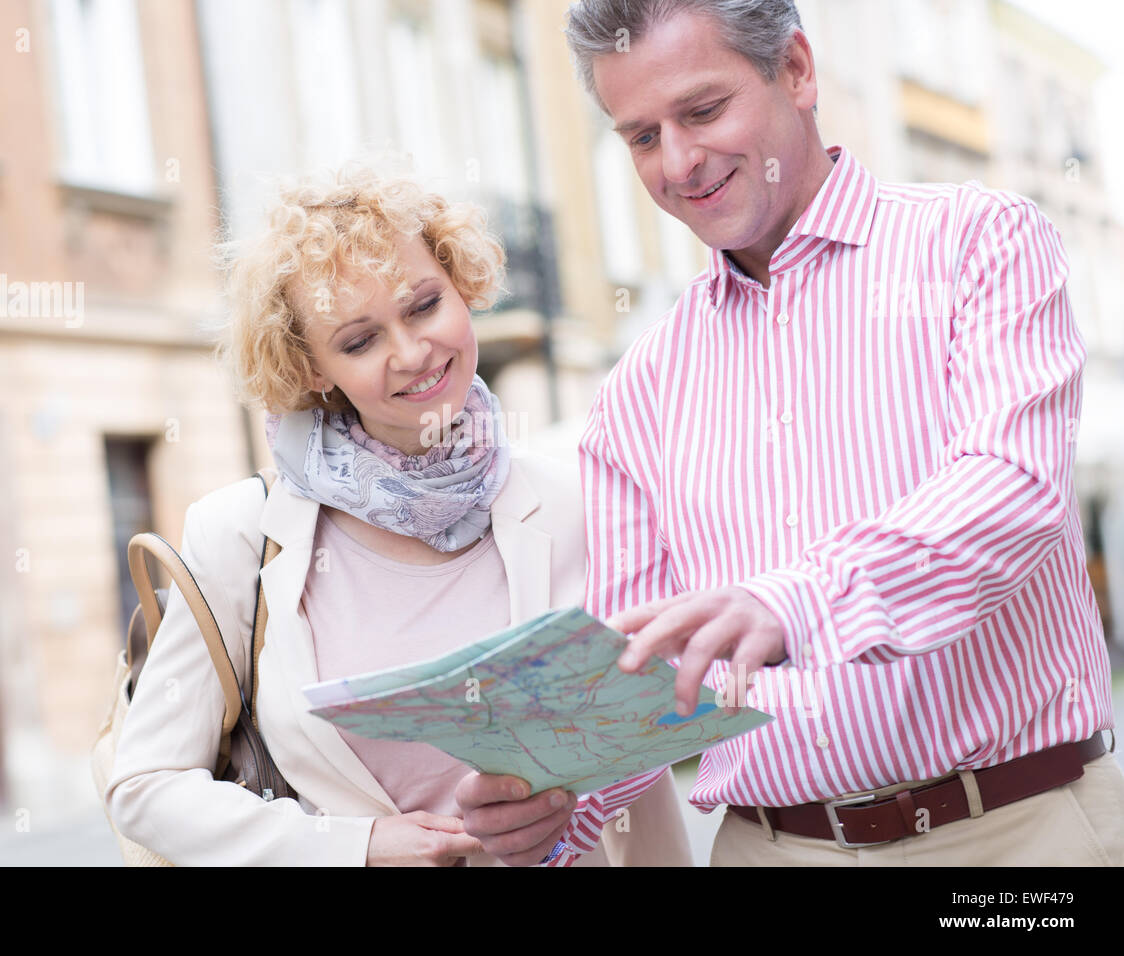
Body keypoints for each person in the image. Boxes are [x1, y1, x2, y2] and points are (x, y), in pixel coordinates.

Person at [459, 0, 1124, 866]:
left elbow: (1009, 492)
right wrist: (550, 805)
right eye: (641, 137)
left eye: (702, 110)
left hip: (1017, 838)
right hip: (766, 850)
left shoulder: (979, 243)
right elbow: (643, 670)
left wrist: (793, 602)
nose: (679, 162)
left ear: (799, 71)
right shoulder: (637, 390)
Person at [103, 165, 693, 866]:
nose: (412, 354)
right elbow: (145, 786)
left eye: (423, 306)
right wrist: (358, 846)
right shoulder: (241, 534)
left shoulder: (579, 504)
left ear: (460, 283)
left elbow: (639, 767)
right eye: (359, 341)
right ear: (313, 367)